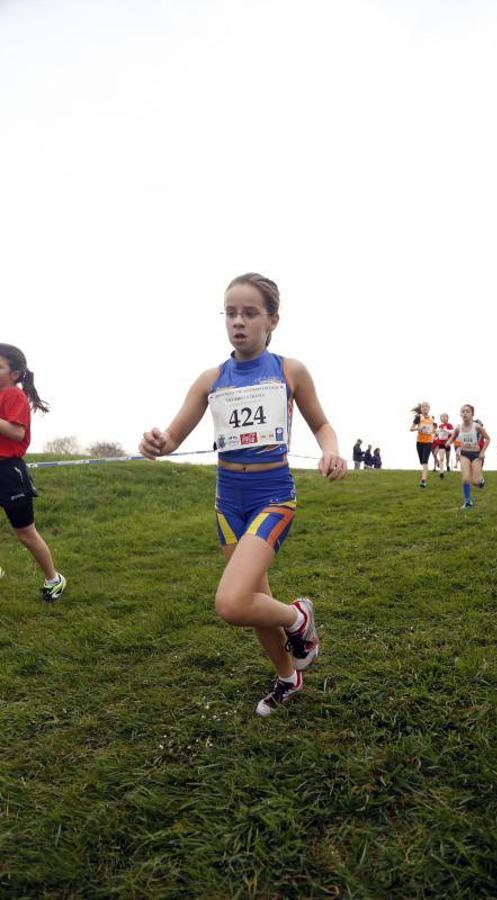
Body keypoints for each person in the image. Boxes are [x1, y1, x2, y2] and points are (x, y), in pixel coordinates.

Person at [139, 273, 346, 717]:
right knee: (254, 601)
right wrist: (156, 443)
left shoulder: (290, 371)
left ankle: (298, 618)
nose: (238, 321)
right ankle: (289, 677)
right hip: (227, 504)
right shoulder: (210, 379)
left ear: (272, 320)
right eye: (231, 312)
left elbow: (322, 425)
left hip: (273, 496)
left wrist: (331, 451)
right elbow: (172, 438)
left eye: (250, 312)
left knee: (233, 603)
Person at [0, 344, 67, 601]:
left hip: (9, 472)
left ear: (14, 374)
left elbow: (17, 433)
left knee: (26, 534)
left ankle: (54, 579)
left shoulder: (14, 396)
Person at [447, 404, 490, 508]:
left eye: (467, 411)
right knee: (465, 479)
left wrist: (483, 452)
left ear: (472, 414)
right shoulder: (458, 427)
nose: (465, 413)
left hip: (476, 455)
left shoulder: (477, 426)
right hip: (464, 454)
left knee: (475, 481)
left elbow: (488, 438)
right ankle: (468, 502)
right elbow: (454, 439)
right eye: (463, 411)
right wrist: (449, 442)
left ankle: (481, 481)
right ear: (460, 414)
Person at [410, 401, 434, 488]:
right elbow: (411, 429)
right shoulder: (418, 417)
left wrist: (434, 432)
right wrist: (418, 428)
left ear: (429, 408)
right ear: (421, 409)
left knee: (424, 461)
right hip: (420, 442)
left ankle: (423, 480)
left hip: (429, 442)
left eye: (427, 406)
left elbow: (432, 430)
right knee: (421, 461)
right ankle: (424, 475)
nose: (425, 408)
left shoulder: (432, 418)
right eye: (423, 406)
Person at [433, 413, 453, 479]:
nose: (443, 418)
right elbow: (438, 434)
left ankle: (447, 465)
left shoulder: (450, 425)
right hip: (441, 444)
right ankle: (441, 473)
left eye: (445, 417)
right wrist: (435, 433)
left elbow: (452, 433)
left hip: (447, 443)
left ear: (447, 418)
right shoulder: (440, 426)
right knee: (441, 458)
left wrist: (449, 441)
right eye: (441, 417)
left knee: (447, 458)